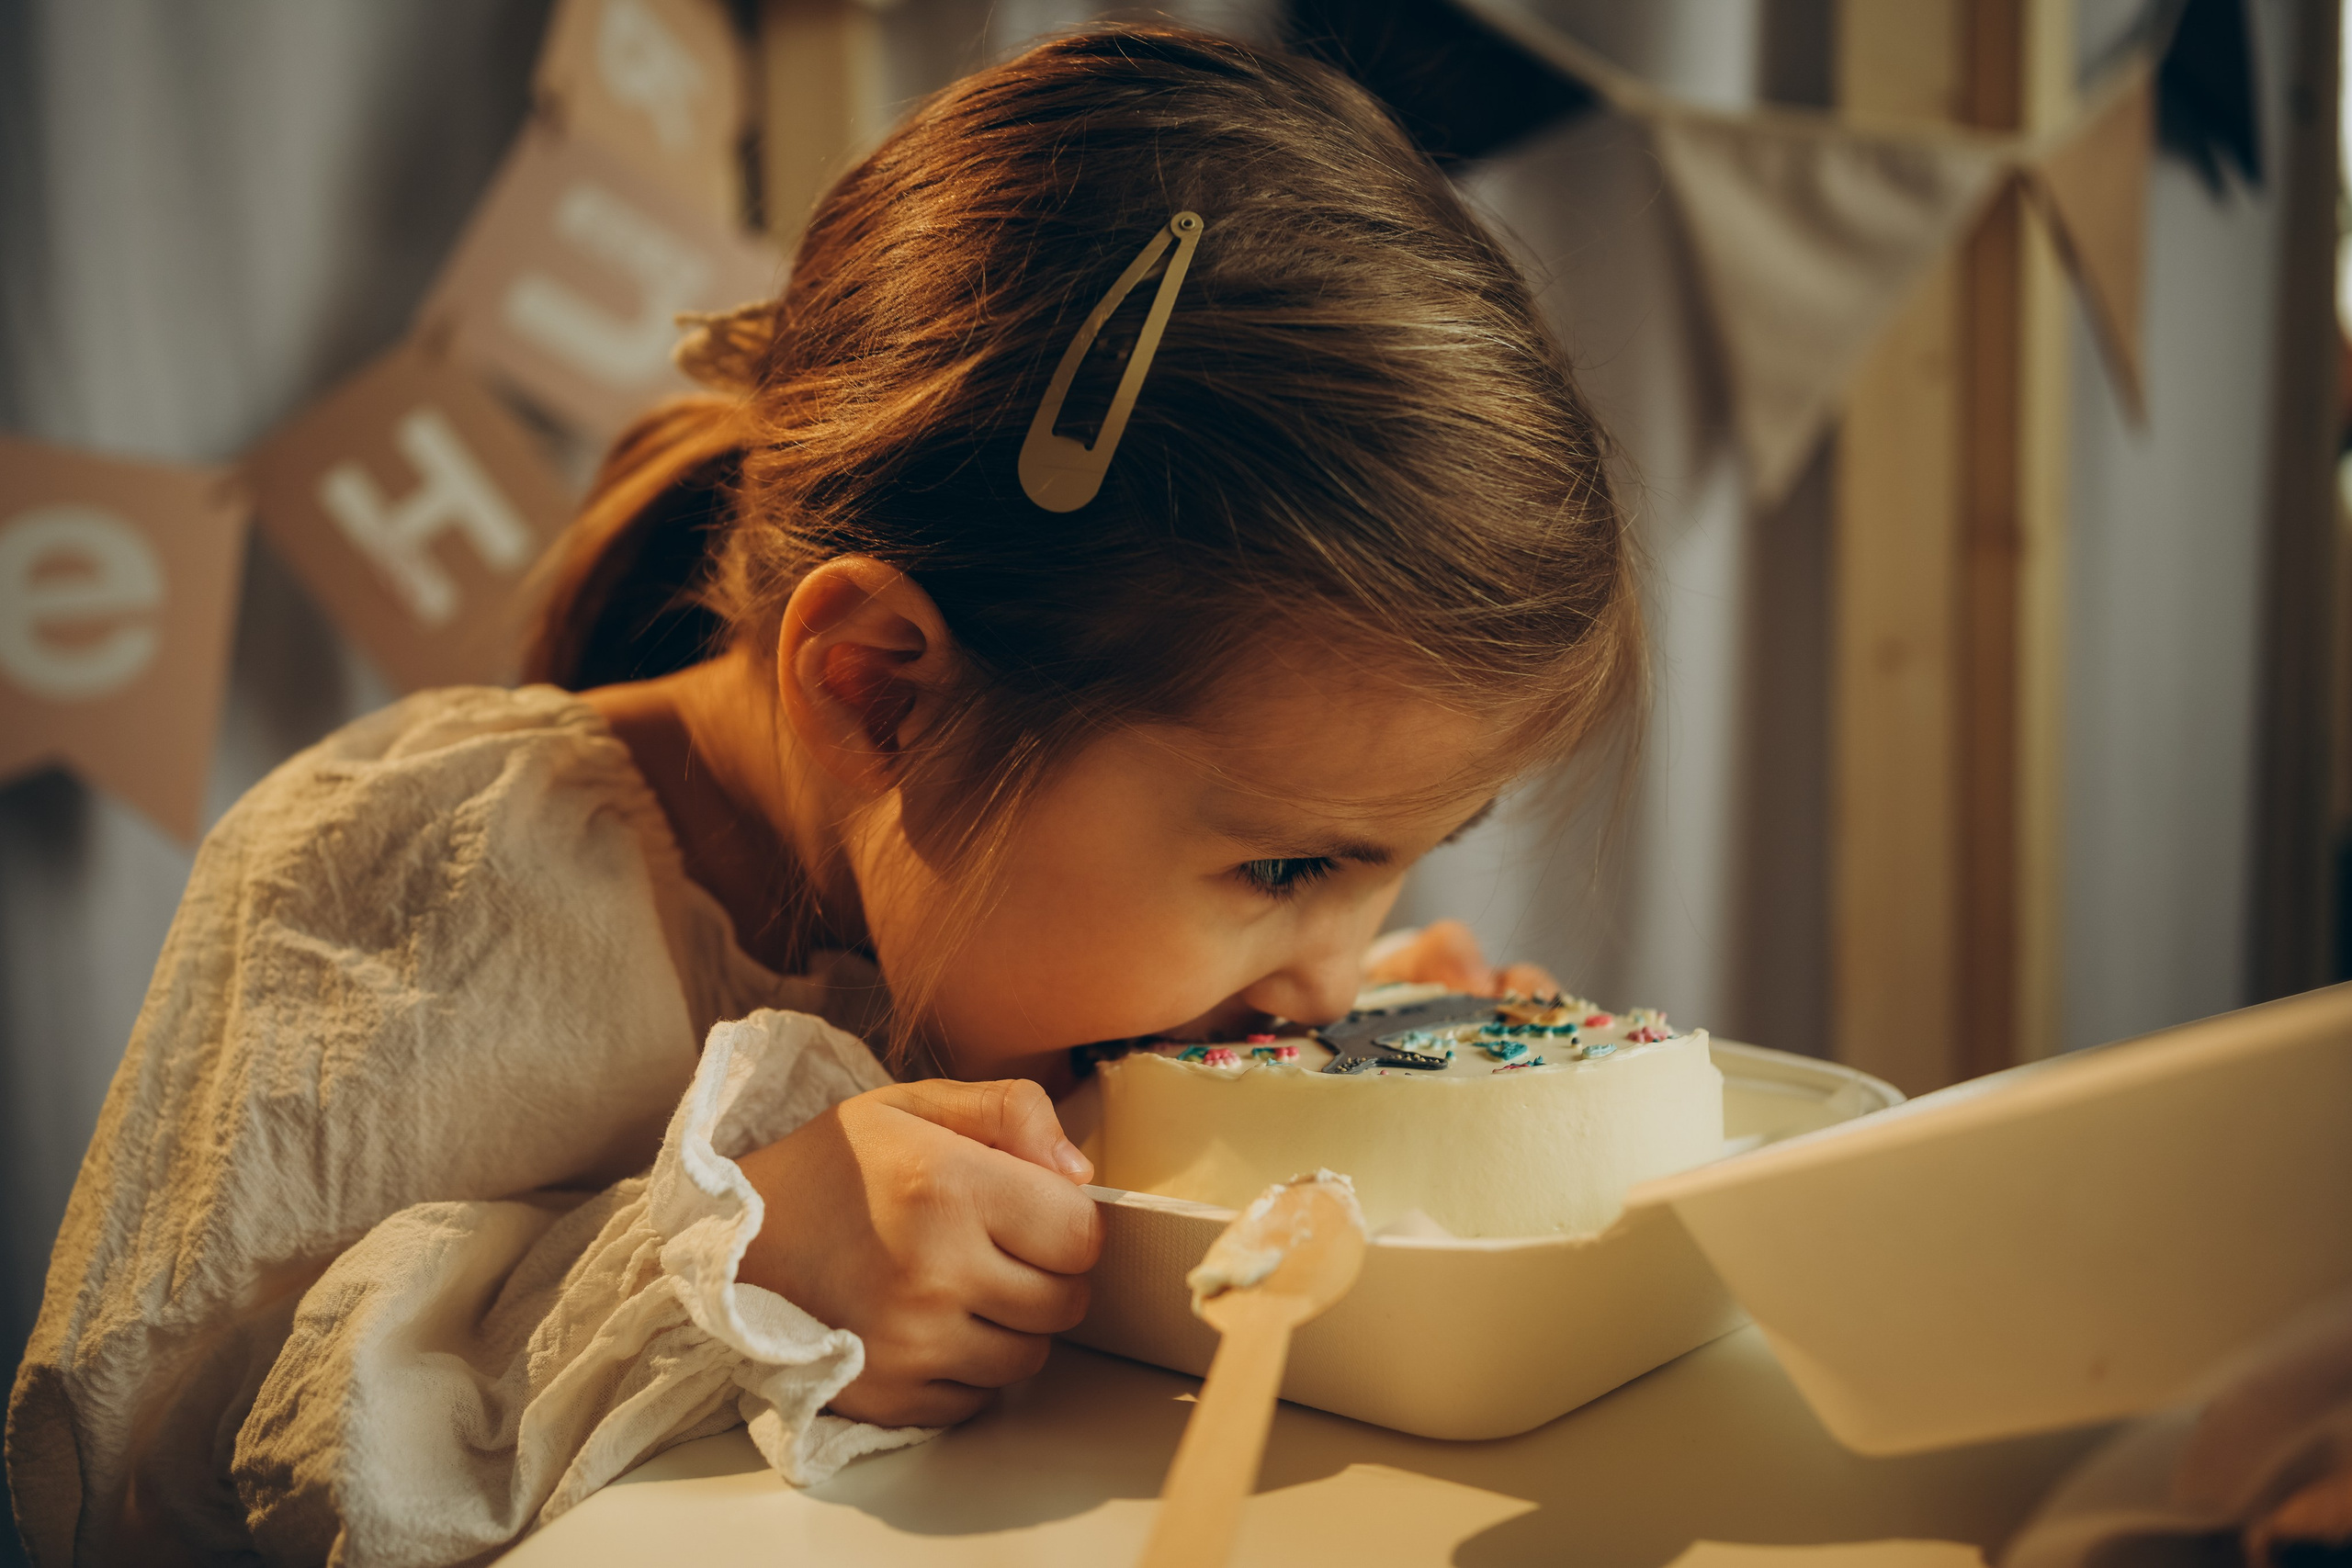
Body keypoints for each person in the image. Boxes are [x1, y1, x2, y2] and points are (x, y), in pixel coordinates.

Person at [6, 24, 1640, 1566]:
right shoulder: (404, 884)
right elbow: (159, 1488)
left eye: (1402, 864)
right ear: (879, 689)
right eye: (1288, 867)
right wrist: (733, 1269)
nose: (1335, 969)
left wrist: (1346, 1083)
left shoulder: (1041, 930)